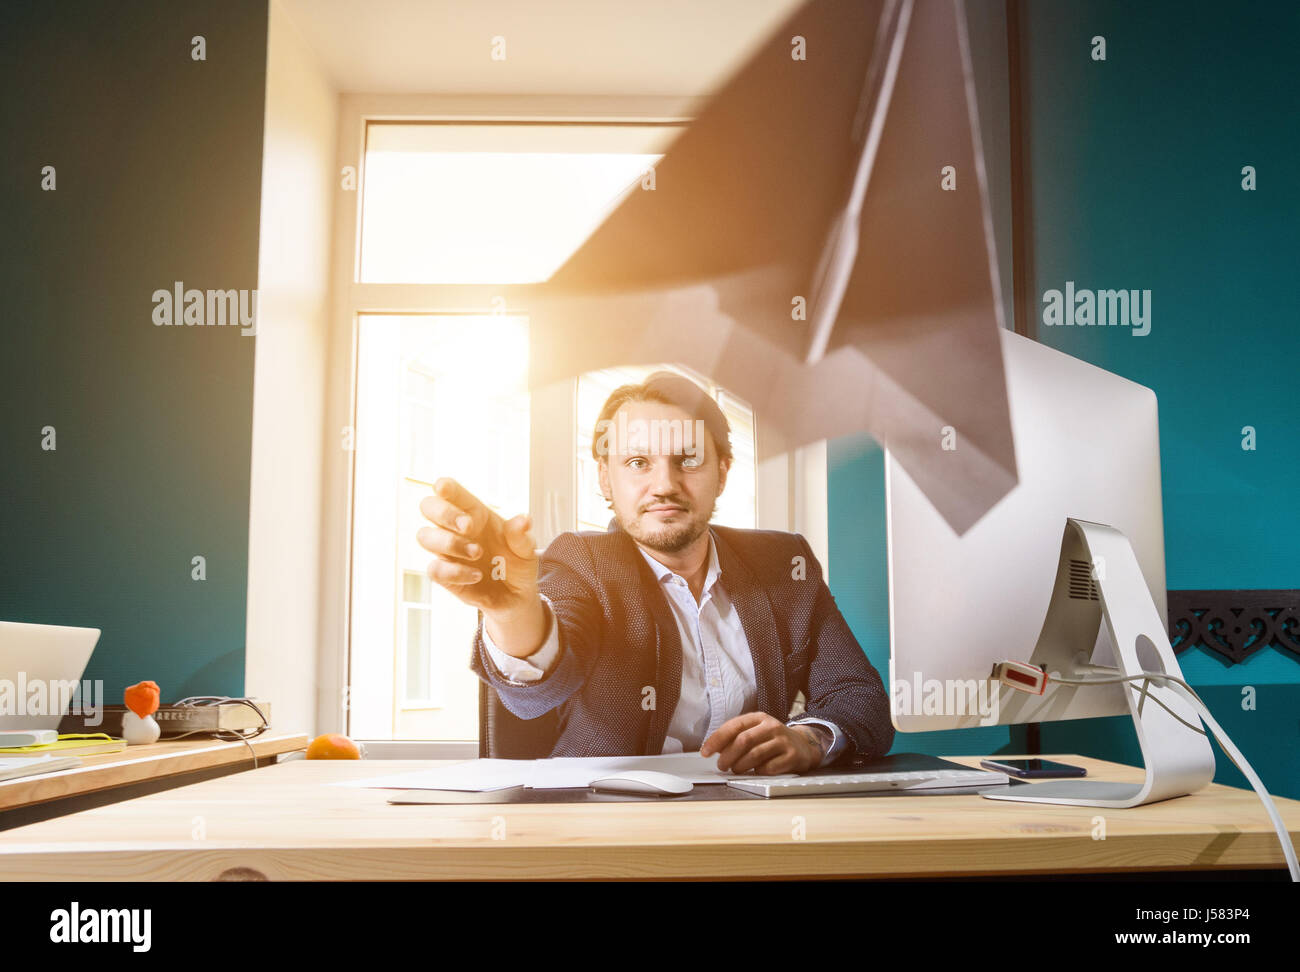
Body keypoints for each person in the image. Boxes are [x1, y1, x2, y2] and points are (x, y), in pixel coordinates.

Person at [416, 371, 893, 774]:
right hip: (611, 838)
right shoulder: (580, 561)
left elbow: (861, 699)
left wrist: (808, 739)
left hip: (755, 826)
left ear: (723, 472)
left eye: (687, 460)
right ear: (606, 478)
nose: (664, 485)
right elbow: (536, 695)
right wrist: (514, 611)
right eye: (638, 462)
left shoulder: (784, 565)